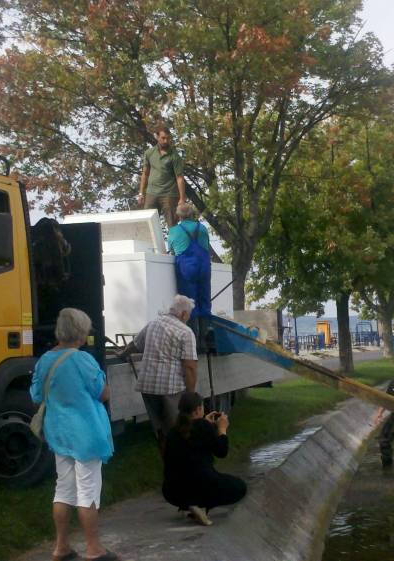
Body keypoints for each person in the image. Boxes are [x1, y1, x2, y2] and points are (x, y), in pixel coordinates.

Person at [30, 308, 119, 561]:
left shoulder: (45, 360)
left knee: (63, 490)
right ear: (80, 333)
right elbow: (103, 393)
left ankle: (61, 547)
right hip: (86, 434)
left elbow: (36, 395)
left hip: (59, 434)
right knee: (88, 490)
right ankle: (93, 548)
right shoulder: (83, 360)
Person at [162, 392, 247, 526]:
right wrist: (222, 429)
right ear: (197, 410)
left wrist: (205, 423)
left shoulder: (173, 431)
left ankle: (190, 504)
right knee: (240, 487)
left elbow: (192, 434)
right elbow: (221, 452)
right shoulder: (204, 427)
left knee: (189, 484)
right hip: (202, 486)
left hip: (172, 491)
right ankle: (201, 506)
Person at [135, 295, 199, 452]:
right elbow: (189, 367)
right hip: (170, 390)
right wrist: (191, 396)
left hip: (147, 387)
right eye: (188, 315)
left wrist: (122, 353)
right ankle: (179, 467)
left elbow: (136, 344)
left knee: (160, 431)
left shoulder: (153, 323)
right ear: (184, 314)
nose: (188, 318)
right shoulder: (186, 332)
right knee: (178, 430)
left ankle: (167, 465)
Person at [167, 202, 212, 347]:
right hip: (204, 267)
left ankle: (193, 343)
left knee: (188, 303)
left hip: (187, 268)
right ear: (192, 214)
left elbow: (172, 250)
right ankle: (205, 341)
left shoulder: (174, 231)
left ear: (178, 215)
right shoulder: (203, 228)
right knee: (204, 300)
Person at [138, 124, 186, 227]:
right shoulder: (149, 153)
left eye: (168, 138)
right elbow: (145, 173)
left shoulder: (174, 156)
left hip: (169, 195)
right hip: (151, 193)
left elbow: (180, 178)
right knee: (147, 224)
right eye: (163, 138)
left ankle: (173, 243)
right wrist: (141, 193)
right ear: (157, 137)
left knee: (172, 225)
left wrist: (182, 199)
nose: (165, 141)